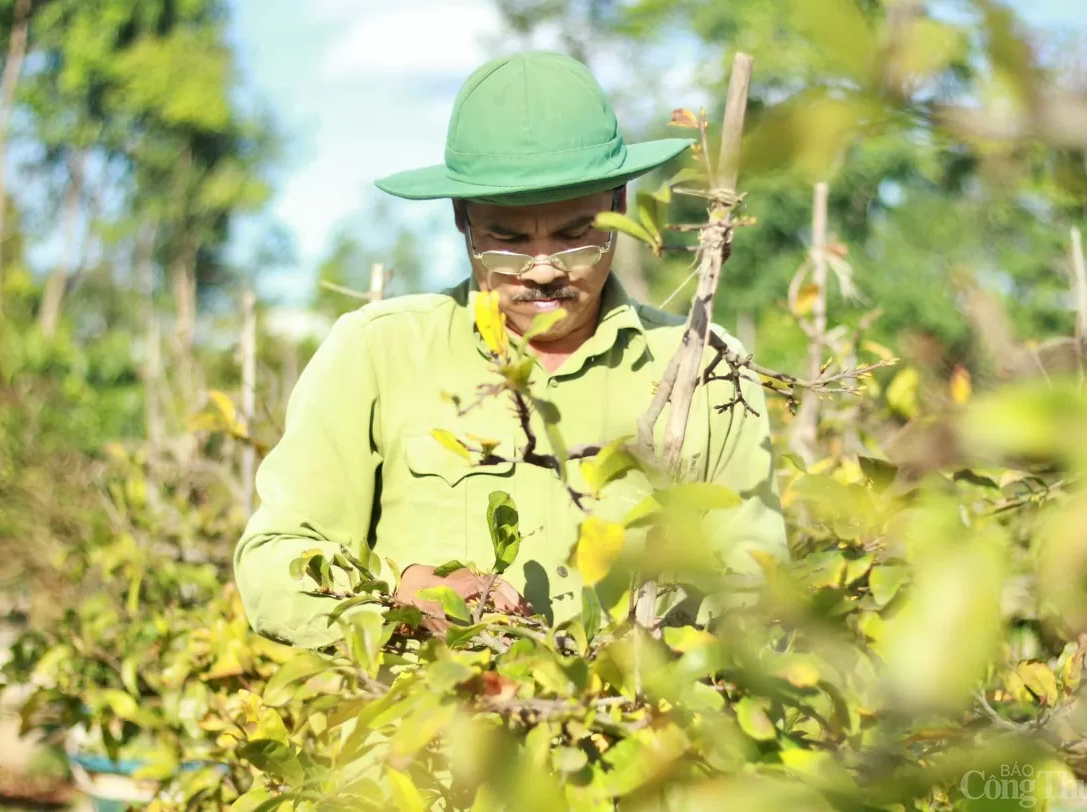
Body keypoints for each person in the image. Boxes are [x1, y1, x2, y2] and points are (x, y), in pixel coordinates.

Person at [235, 51, 787, 649]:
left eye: (577, 236)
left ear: (622, 208)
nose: (544, 270)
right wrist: (398, 598)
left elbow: (757, 594)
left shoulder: (703, 366)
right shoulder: (377, 353)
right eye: (508, 241)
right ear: (461, 221)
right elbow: (274, 561)